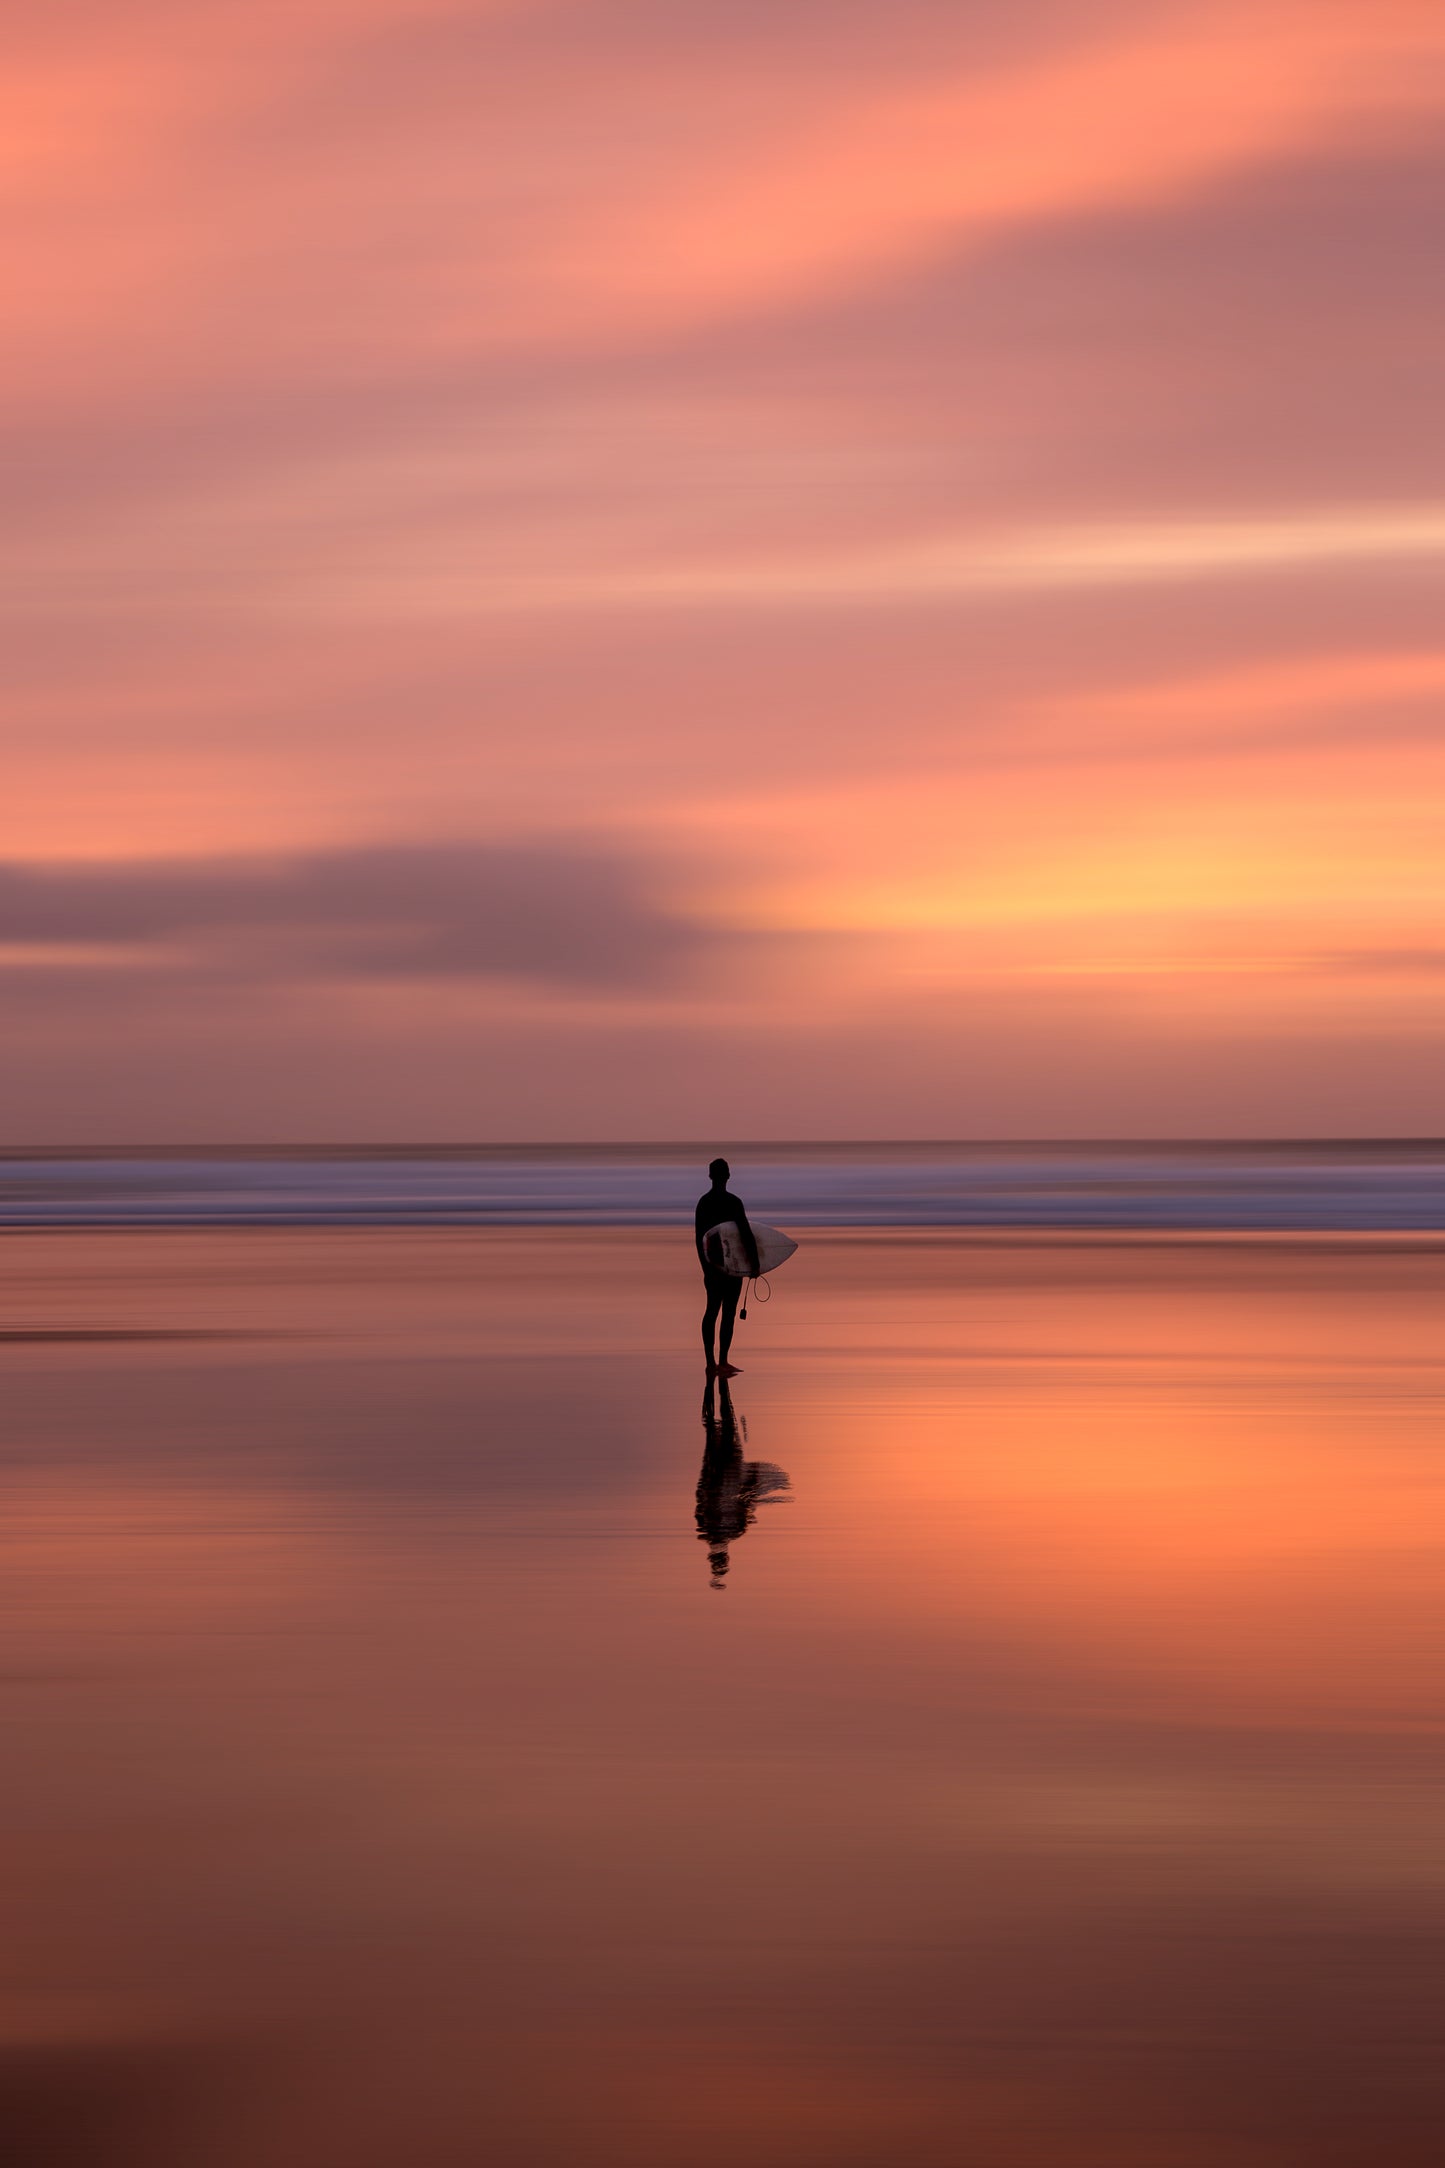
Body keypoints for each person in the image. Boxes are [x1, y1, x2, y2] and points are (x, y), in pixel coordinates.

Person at [695, 1156, 759, 1374]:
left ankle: (711, 1363)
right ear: (728, 1176)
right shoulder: (734, 1202)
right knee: (728, 1313)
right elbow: (746, 1235)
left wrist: (705, 1267)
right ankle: (722, 1361)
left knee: (712, 1310)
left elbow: (699, 1239)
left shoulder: (704, 1203)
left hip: (713, 1266)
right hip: (732, 1266)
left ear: (711, 1176)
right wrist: (754, 1264)